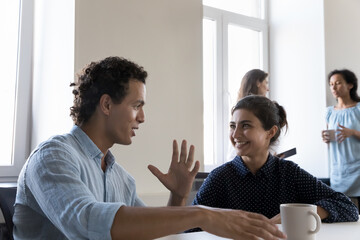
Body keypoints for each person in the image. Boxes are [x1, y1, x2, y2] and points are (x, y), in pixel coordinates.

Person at [13, 56, 286, 240]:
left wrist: (179, 198)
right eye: (136, 106)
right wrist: (202, 214)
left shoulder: (120, 177)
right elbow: (86, 222)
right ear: (107, 105)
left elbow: (149, 233)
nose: (142, 118)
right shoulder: (53, 156)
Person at [193, 95, 359, 225]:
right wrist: (179, 195)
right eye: (232, 126)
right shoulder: (219, 178)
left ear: (270, 132)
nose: (235, 135)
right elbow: (187, 228)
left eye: (245, 126)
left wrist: (298, 214)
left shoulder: (289, 173)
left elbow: (348, 208)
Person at [322, 69, 360, 208]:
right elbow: (331, 136)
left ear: (350, 85)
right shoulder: (329, 112)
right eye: (331, 84)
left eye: (338, 83)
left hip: (358, 171)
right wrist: (326, 138)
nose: (333, 87)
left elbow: (350, 133)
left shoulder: (358, 109)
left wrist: (353, 132)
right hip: (338, 172)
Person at [227, 69, 270, 161]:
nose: (267, 88)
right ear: (258, 82)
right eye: (266, 83)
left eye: (245, 126)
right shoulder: (242, 110)